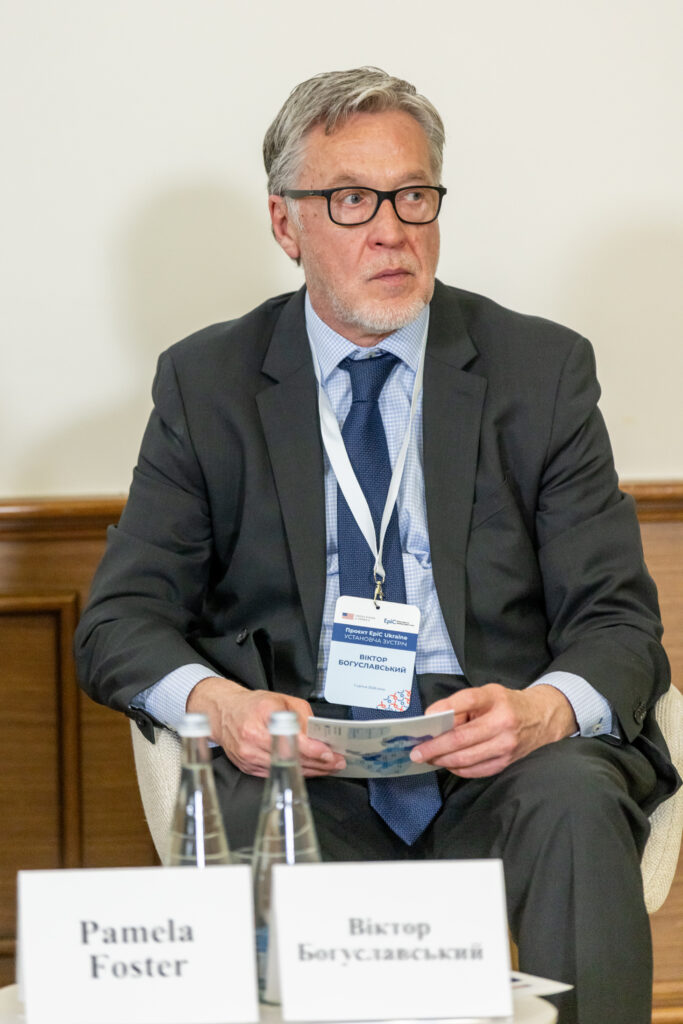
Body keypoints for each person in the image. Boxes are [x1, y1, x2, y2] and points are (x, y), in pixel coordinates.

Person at [75, 67, 679, 1023]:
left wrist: (541, 712)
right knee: (258, 819)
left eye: (413, 195)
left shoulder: (540, 369)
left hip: (496, 747)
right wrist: (223, 707)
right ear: (286, 225)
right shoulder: (207, 382)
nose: (392, 229)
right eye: (352, 200)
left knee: (573, 798)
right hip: (307, 752)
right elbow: (119, 621)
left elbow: (617, 620)